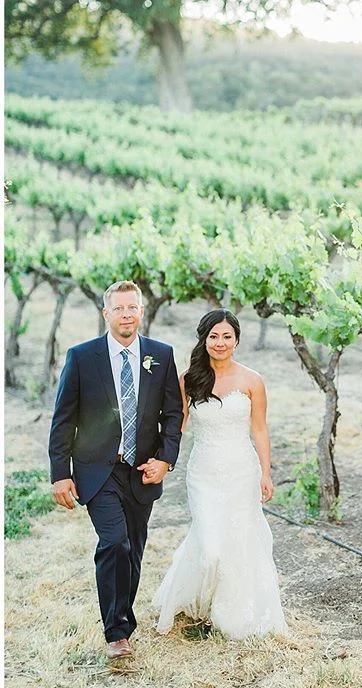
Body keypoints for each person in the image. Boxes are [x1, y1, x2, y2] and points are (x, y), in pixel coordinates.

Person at [48, 280, 183, 661]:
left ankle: (122, 616)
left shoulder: (161, 355)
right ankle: (117, 632)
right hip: (97, 471)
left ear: (141, 311)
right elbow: (63, 420)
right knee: (115, 542)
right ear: (106, 313)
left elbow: (173, 414)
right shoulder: (82, 356)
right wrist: (60, 473)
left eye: (132, 307)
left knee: (134, 551)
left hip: (142, 471)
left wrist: (166, 459)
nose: (126, 314)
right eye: (119, 308)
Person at [152, 308, 287, 639]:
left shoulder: (252, 380)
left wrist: (266, 474)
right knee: (210, 545)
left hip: (242, 470)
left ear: (237, 340)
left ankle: (229, 611)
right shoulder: (188, 380)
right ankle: (196, 594)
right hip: (204, 474)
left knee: (238, 539)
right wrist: (161, 459)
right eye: (214, 336)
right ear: (204, 338)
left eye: (227, 336)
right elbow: (177, 427)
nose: (220, 342)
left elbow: (259, 430)